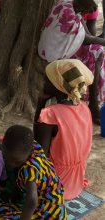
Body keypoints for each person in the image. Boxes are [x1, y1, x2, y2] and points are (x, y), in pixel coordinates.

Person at [34, 59, 93, 200]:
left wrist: (40, 102)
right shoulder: (84, 107)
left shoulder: (51, 114)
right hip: (75, 181)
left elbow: (39, 152)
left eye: (47, 79)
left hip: (55, 185)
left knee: (13, 154)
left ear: (58, 85)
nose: (43, 82)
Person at [38, 0, 105, 124]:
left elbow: (88, 35)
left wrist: (97, 41)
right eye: (84, 13)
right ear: (81, 8)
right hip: (56, 52)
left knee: (98, 51)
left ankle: (92, 100)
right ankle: (92, 101)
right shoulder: (69, 15)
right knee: (98, 52)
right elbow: (86, 38)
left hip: (62, 47)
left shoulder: (69, 4)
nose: (84, 16)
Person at [0, 125, 67, 219]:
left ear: (30, 152)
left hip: (50, 213)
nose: (11, 164)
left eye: (17, 161)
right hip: (49, 205)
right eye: (7, 158)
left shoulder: (30, 171)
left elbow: (32, 202)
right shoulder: (32, 147)